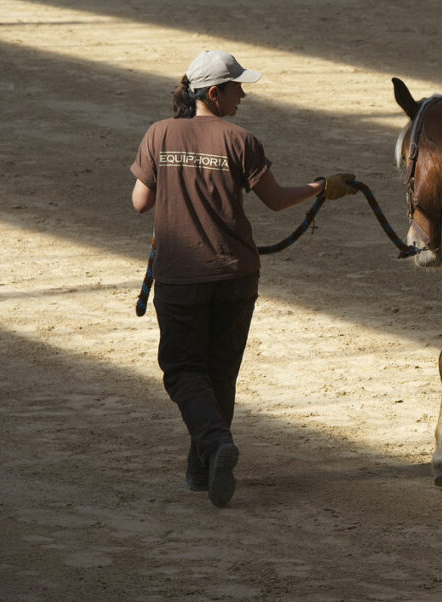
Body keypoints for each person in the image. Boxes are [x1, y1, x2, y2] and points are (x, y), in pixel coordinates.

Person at [130, 50, 357, 507]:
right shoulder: (241, 140)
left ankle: (213, 448)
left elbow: (140, 202)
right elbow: (274, 201)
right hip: (235, 275)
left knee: (182, 371)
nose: (244, 95)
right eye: (237, 88)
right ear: (214, 93)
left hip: (180, 276)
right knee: (220, 373)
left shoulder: (158, 134)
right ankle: (202, 469)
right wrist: (319, 188)